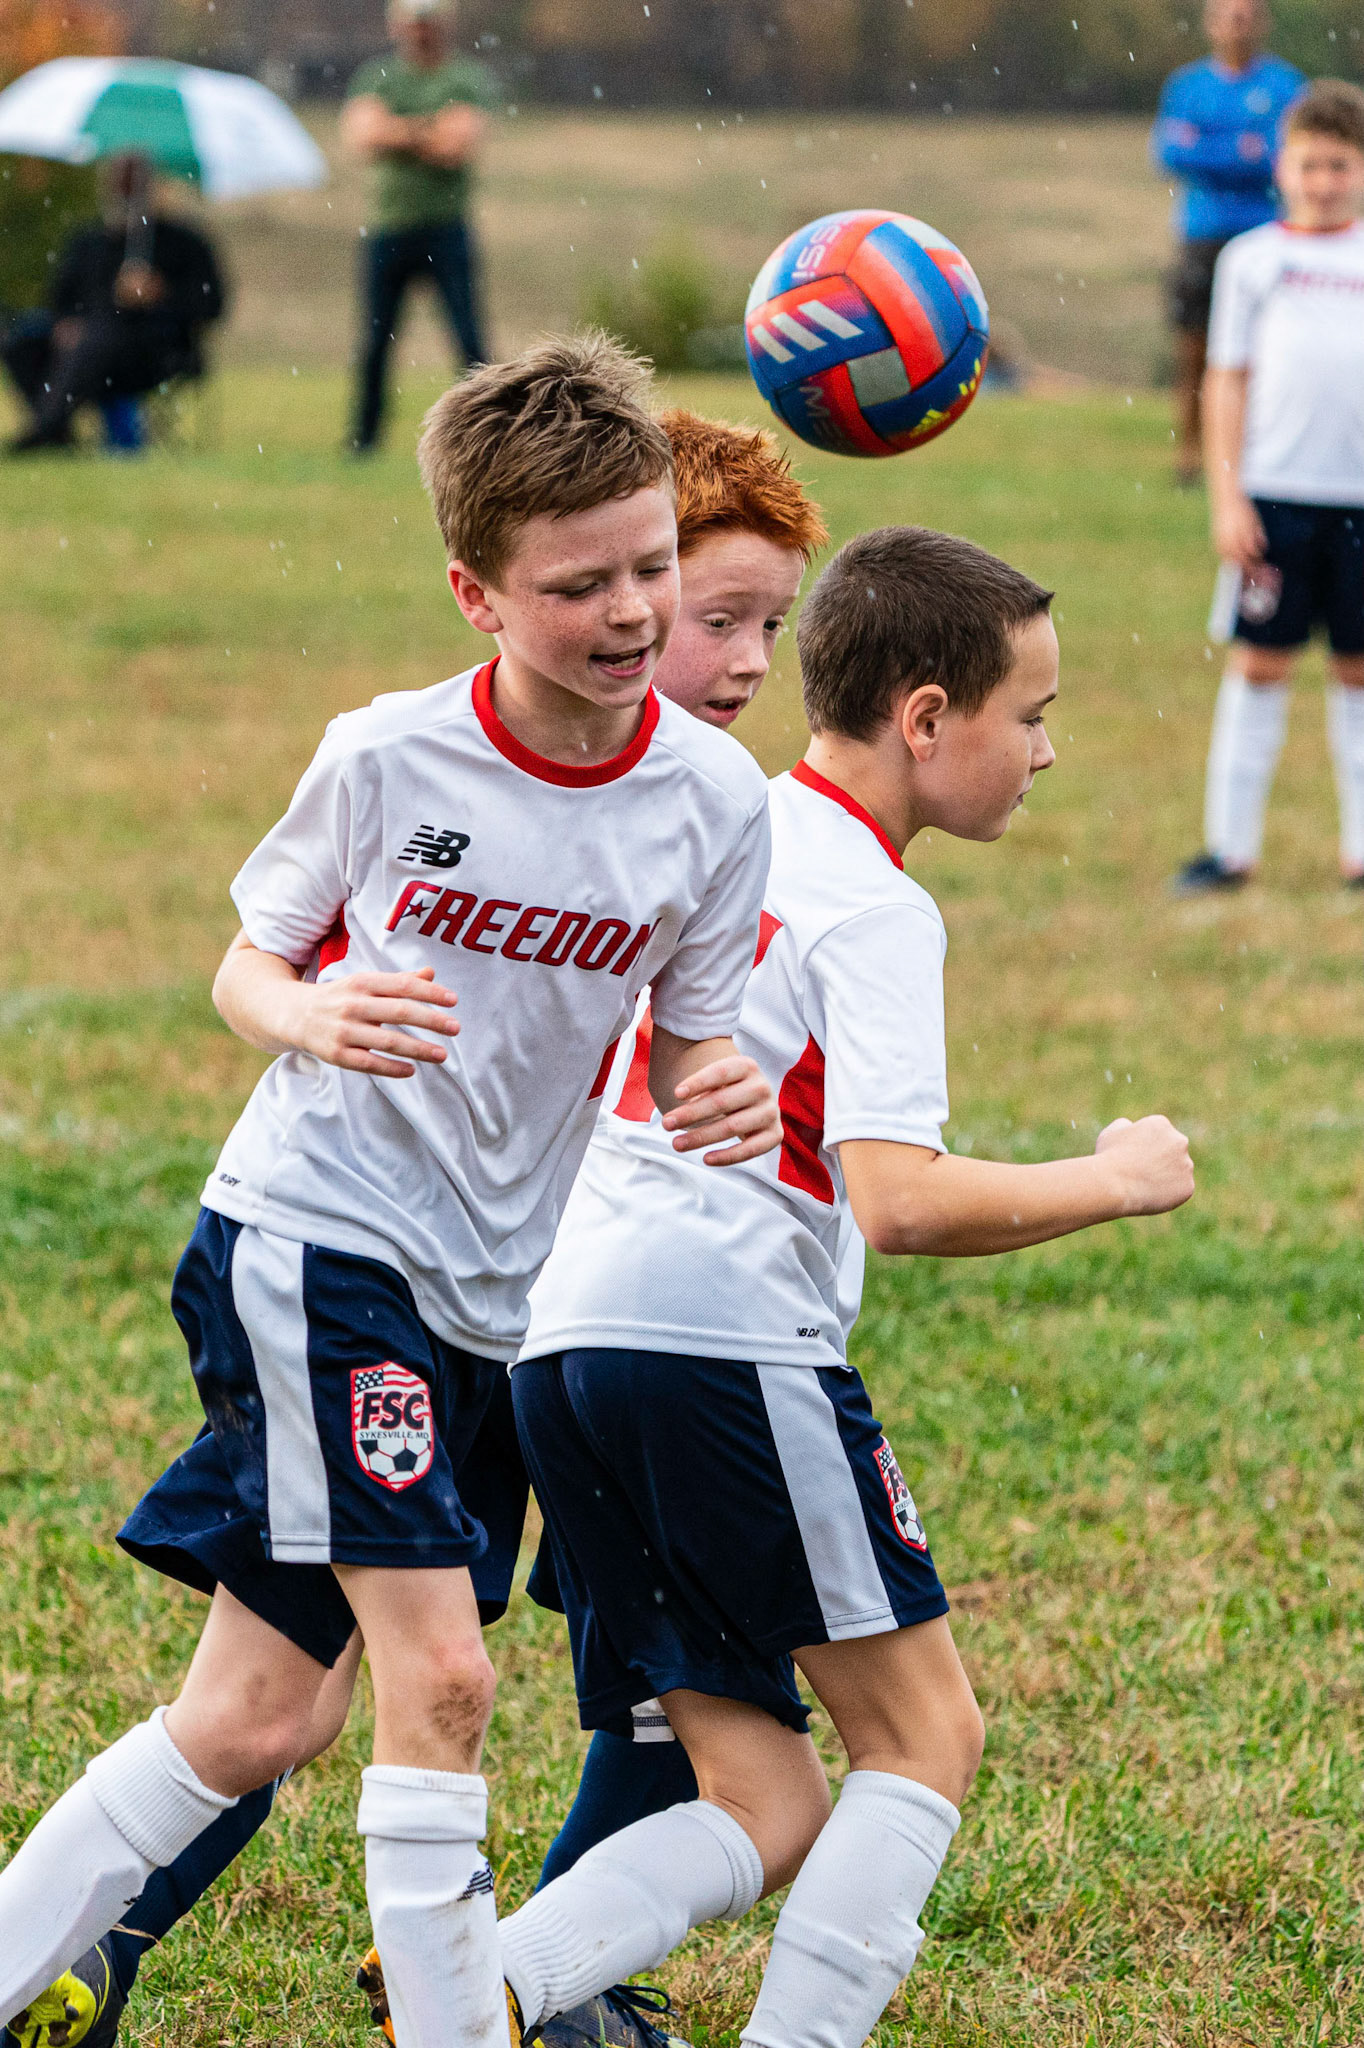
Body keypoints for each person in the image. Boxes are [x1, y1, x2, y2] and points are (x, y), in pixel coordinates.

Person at [3, 403, 827, 2048]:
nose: (629, 614)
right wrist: (309, 1014)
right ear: (477, 593)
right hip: (318, 1238)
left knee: (256, 1717)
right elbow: (249, 963)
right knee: (440, 1677)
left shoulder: (715, 801)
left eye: (649, 570)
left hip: (492, 1300)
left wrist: (725, 1091)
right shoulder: (387, 755)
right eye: (576, 585)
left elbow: (685, 1051)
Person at [486, 527, 1195, 2048]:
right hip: (721, 1341)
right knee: (926, 1736)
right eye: (1030, 716)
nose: (1046, 752)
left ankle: (479, 1986)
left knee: (766, 1796)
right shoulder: (874, 903)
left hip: (566, 1345)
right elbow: (902, 1199)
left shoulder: (722, 822)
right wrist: (1115, 1179)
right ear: (925, 718)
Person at [1171, 80, 1364, 894]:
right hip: (1273, 499)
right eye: (1309, 164)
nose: (1323, 181)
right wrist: (1228, 497)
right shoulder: (1252, 261)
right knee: (1259, 665)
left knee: (1357, 672)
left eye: (1340, 165)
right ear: (1282, 168)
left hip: (1358, 504)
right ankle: (1231, 851)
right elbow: (1226, 381)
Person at [1150, 0, 1303, 485]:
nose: (1237, 27)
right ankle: (1189, 451)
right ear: (1210, 24)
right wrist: (1241, 149)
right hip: (1203, 234)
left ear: (1262, 23)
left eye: (1246, 17)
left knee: (1264, 351)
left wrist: (1209, 149)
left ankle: (1252, 452)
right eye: (1228, 17)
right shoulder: (1187, 86)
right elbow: (1169, 153)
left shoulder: (1286, 87)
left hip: (1265, 235)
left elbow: (1283, 157)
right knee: (1193, 347)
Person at [343, 0, 497, 453]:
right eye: (413, 23)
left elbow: (456, 145)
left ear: (444, 26)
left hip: (447, 229)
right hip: (388, 230)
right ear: (397, 26)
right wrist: (427, 131)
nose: (421, 32)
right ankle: (364, 440)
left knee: (469, 341)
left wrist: (396, 132)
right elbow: (363, 136)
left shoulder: (463, 78)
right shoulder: (376, 76)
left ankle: (488, 438)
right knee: (375, 342)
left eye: (428, 23)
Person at [1, 152, 225, 456]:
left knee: (98, 341)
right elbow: (60, 298)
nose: (125, 192)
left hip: (154, 350)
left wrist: (160, 294)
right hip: (83, 345)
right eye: (120, 182)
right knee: (21, 341)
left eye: (133, 183)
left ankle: (46, 429)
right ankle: (56, 429)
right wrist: (65, 322)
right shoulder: (88, 241)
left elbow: (210, 305)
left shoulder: (185, 243)